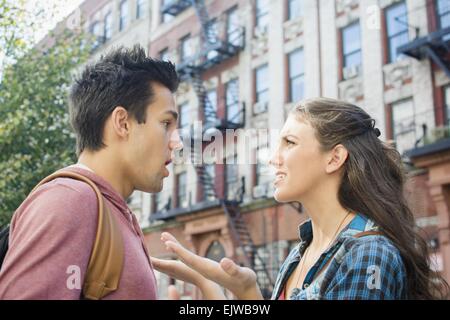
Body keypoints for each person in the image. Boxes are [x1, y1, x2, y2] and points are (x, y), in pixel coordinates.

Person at [152, 97, 450, 300]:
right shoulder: (299, 255)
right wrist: (245, 292)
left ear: (334, 158)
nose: (273, 159)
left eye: (289, 143)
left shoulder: (368, 255)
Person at [0, 45, 182, 299]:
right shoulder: (70, 200)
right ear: (122, 123)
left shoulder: (111, 212)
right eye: (166, 123)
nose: (177, 142)